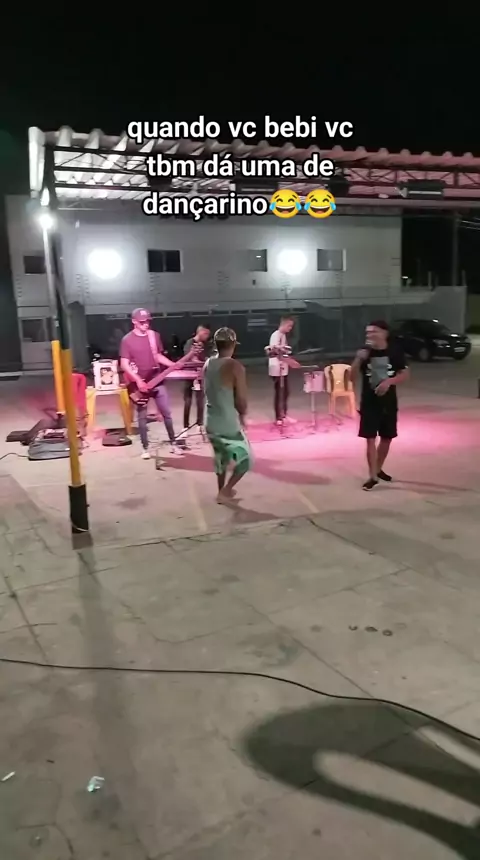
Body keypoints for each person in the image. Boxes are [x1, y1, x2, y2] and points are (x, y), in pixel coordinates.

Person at [351, 320, 409, 491]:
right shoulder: (365, 352)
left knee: (387, 437)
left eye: (374, 331)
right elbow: (351, 377)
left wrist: (389, 382)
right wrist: (357, 359)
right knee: (369, 438)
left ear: (384, 333)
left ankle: (378, 468)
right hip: (369, 402)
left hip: (389, 402)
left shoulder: (395, 351)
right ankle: (372, 476)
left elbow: (405, 374)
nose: (370, 335)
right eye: (368, 332)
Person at [120, 308, 185, 459]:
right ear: (134, 322)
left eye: (148, 321)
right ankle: (145, 448)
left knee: (166, 413)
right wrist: (138, 380)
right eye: (142, 322)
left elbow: (158, 356)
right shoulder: (127, 340)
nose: (146, 324)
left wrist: (172, 364)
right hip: (139, 384)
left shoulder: (154, 336)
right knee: (142, 417)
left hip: (157, 380)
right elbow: (124, 364)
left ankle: (173, 443)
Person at [203, 327, 252, 504]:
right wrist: (243, 415)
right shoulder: (235, 367)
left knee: (221, 459)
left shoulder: (208, 363)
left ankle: (221, 492)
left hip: (210, 420)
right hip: (227, 422)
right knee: (246, 459)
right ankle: (226, 490)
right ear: (232, 345)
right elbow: (241, 399)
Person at [267, 316, 300, 424]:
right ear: (284, 324)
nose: (290, 328)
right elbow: (276, 353)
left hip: (283, 368)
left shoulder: (283, 336)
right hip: (276, 369)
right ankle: (279, 418)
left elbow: (284, 353)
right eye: (289, 326)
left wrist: (290, 361)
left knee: (285, 392)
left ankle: (284, 415)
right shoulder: (275, 335)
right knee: (280, 393)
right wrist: (291, 362)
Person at [182, 324, 211, 428]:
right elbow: (190, 359)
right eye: (206, 334)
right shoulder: (190, 343)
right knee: (188, 401)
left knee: (200, 400)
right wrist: (204, 362)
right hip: (189, 375)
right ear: (201, 332)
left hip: (200, 375)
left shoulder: (204, 344)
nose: (207, 336)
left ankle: (200, 424)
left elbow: (204, 357)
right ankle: (185, 425)